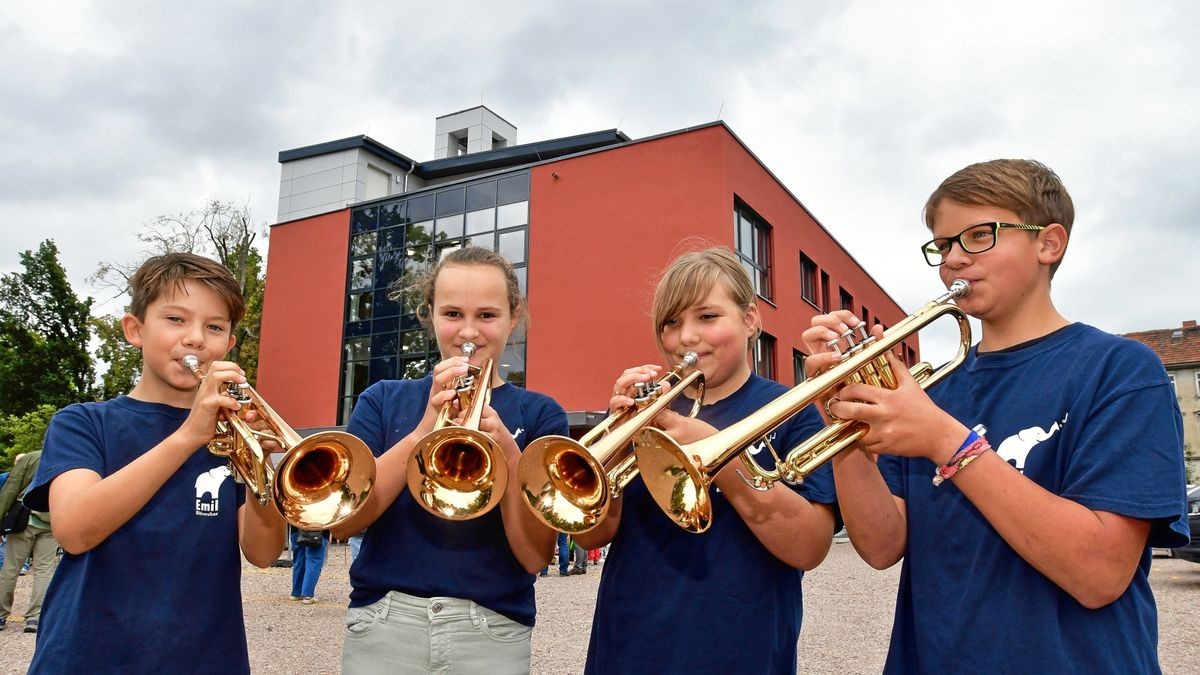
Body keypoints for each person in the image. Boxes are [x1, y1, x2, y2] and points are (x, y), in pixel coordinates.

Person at [806, 159, 1188, 673]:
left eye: (978, 236)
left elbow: (1099, 575)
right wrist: (844, 423)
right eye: (943, 246)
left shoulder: (1120, 370)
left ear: (1048, 244)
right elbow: (879, 546)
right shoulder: (930, 389)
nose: (954, 260)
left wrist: (948, 443)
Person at [577, 246, 838, 674]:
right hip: (627, 648)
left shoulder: (790, 409)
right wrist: (613, 445)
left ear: (750, 320)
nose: (687, 337)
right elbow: (591, 537)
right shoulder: (647, 410)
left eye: (707, 317)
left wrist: (719, 456)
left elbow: (809, 546)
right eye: (672, 323)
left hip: (740, 649)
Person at [22, 252, 287, 672]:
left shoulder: (232, 434)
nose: (196, 338)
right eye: (176, 319)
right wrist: (187, 437)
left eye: (214, 327)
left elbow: (263, 553)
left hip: (205, 658)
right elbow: (74, 531)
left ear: (229, 345)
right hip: (88, 655)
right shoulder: (83, 423)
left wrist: (263, 473)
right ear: (135, 329)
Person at [330, 246, 567, 674]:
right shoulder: (382, 400)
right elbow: (345, 523)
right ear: (430, 315)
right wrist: (423, 433)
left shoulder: (540, 414)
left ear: (514, 318)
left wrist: (510, 454)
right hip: (383, 624)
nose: (469, 332)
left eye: (487, 315)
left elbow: (535, 557)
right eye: (453, 313)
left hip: (493, 632)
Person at [1, 450, 58, 633]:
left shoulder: (30, 458)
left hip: (24, 519)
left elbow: (11, 489)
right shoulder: (68, 454)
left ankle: (1, 615)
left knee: (10, 568)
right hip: (52, 521)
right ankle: (35, 618)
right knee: (44, 570)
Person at [289, 527, 329, 604]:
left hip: (295, 526)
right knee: (314, 560)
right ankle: (307, 595)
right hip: (317, 529)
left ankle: (296, 593)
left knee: (299, 560)